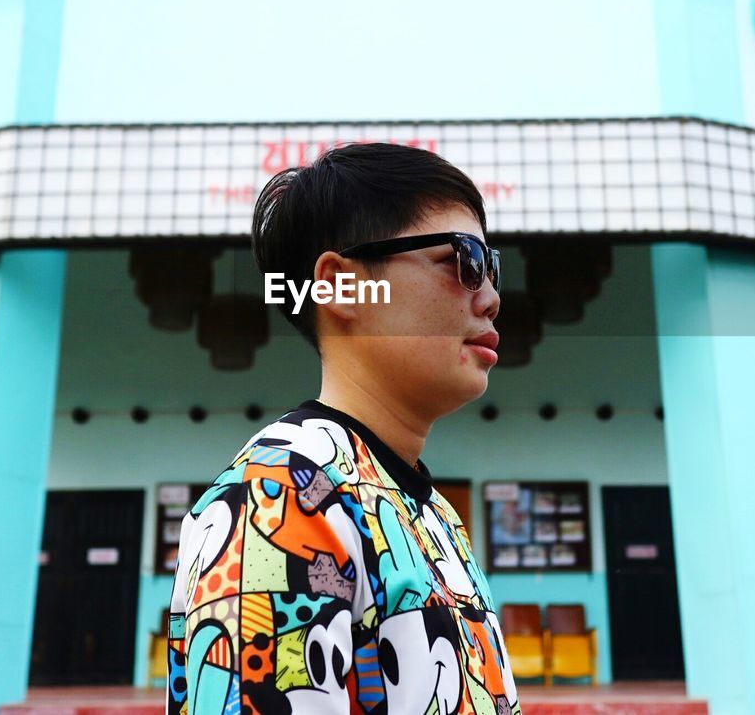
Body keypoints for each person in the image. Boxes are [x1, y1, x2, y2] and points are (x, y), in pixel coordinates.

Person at [166, 142, 517, 715]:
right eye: (464, 259)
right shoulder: (278, 499)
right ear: (339, 286)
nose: (492, 298)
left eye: (490, 266)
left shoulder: (429, 509)